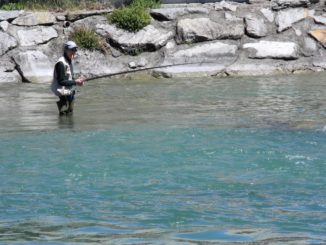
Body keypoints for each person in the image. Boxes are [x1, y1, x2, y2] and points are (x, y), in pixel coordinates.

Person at [51, 41, 84, 115]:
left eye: (75, 50)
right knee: (64, 113)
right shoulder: (61, 63)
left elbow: (69, 77)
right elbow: (61, 81)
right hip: (61, 90)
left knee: (69, 112)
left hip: (67, 89)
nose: (73, 52)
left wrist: (78, 81)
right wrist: (75, 82)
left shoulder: (68, 60)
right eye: (71, 50)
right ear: (66, 50)